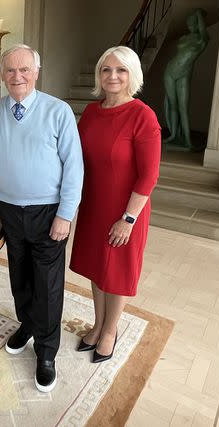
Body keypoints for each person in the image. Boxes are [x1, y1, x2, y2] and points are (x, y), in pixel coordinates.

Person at [0, 44, 83, 392]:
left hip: (48, 211)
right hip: (9, 208)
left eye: (24, 70)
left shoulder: (58, 111)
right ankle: (26, 325)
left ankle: (46, 352)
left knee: (48, 285)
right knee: (19, 275)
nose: (17, 77)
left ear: (37, 72)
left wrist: (65, 215)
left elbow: (74, 167)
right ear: (2, 74)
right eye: (10, 70)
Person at [69, 46, 161, 363]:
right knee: (97, 267)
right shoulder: (93, 112)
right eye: (106, 69)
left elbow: (149, 176)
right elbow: (75, 156)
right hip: (94, 204)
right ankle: (97, 324)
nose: (112, 76)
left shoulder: (142, 116)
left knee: (118, 271)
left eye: (121, 70)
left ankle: (111, 330)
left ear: (131, 75)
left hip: (126, 210)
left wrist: (128, 219)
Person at [163, 8, 208, 149]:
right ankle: (173, 135)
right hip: (170, 72)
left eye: (192, 24)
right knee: (173, 105)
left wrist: (199, 14)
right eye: (188, 24)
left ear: (198, 24)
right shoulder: (183, 38)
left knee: (183, 108)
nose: (189, 27)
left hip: (184, 74)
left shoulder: (202, 40)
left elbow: (203, 33)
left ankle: (188, 140)